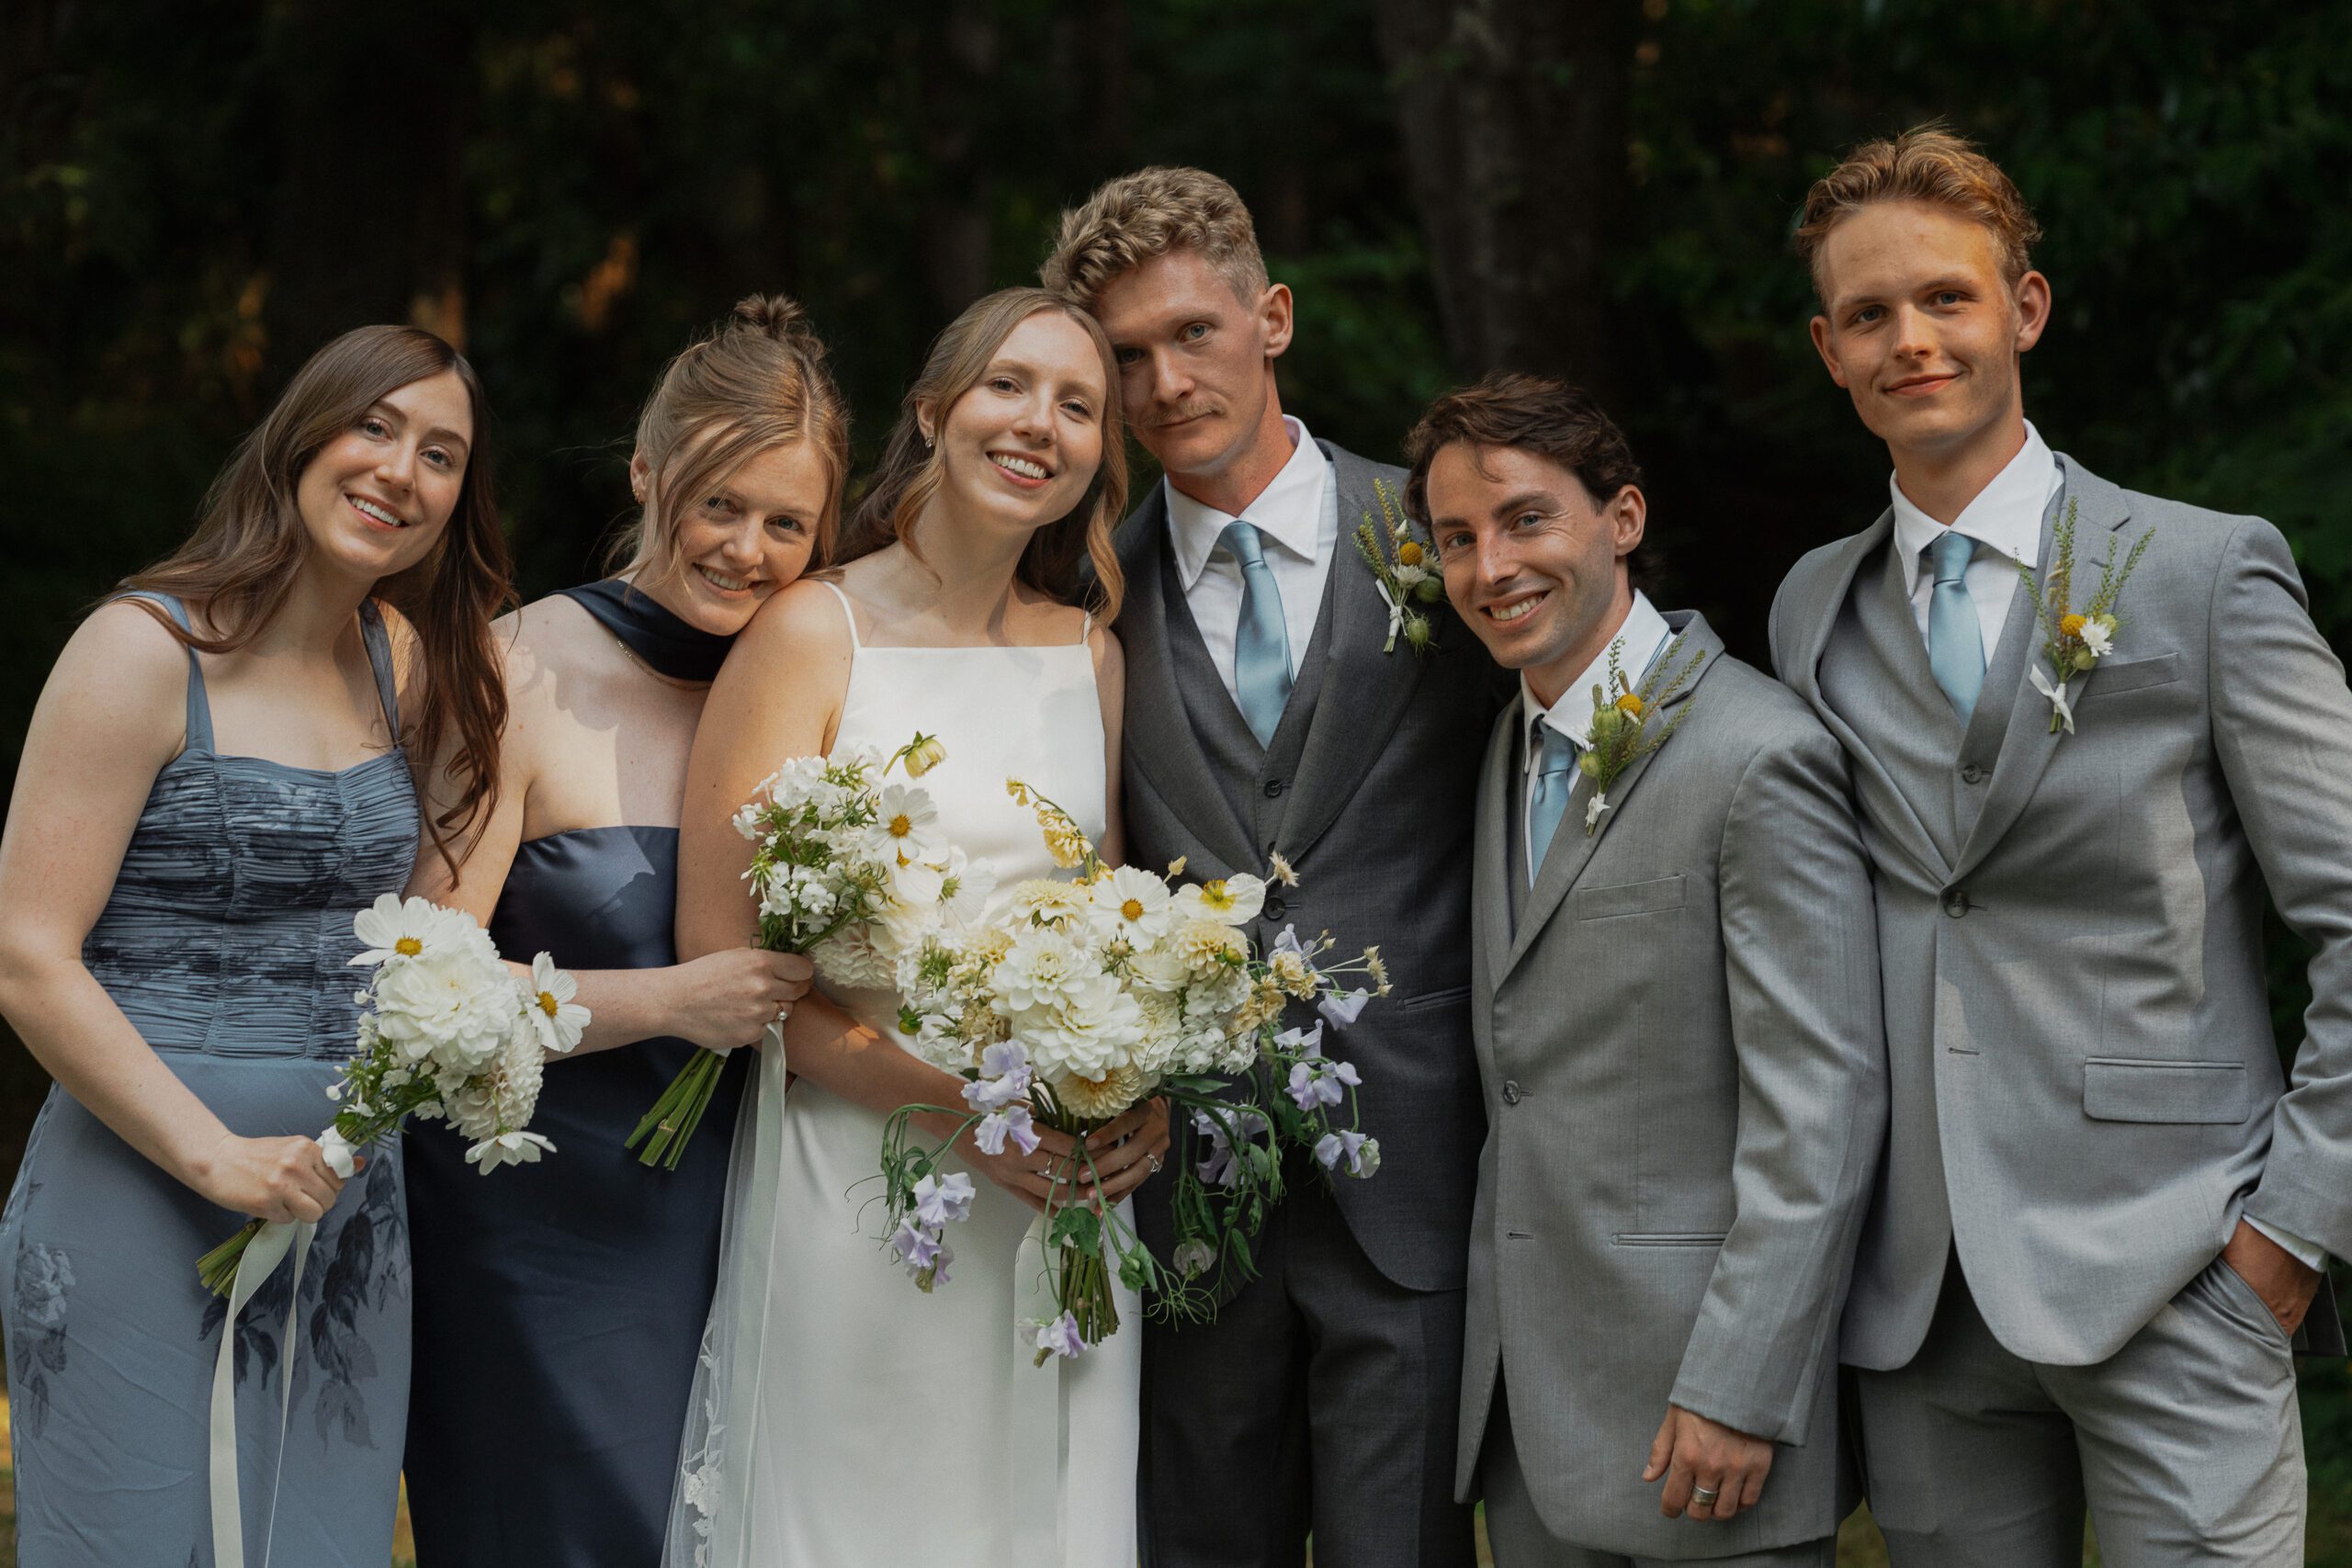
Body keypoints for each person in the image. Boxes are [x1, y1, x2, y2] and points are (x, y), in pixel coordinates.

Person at [1769, 123, 2352, 1565]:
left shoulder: (2208, 573)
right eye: (1867, 315)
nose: (1911, 339)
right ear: (1829, 351)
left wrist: (2286, 1241)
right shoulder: (1806, 611)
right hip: (1920, 1304)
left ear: (2023, 308)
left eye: (1946, 298)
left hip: (2178, 1268)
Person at [664, 286, 1170, 1566]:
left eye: (1079, 405)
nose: (1039, 424)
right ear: (935, 411)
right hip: (870, 1179)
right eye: (1009, 385)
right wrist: (954, 1109)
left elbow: (1114, 936)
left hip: (1057, 1201)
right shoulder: (809, 632)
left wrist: (1135, 1085)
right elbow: (725, 969)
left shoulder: (1091, 655)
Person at [1042, 165, 1499, 1567]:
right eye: (1125, 356)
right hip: (1186, 1190)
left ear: (1272, 318)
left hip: (1412, 1167)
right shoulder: (1081, 593)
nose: (1166, 380)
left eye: (1193, 332)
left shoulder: (1441, 535)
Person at [0, 324, 510, 1564]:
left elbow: (453, 904)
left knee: (314, 1539)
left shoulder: (404, 663)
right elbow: (27, 959)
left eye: (441, 455)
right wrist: (216, 1159)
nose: (402, 471)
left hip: (342, 1203)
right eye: (375, 429)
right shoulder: (143, 648)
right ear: (301, 439)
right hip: (144, 1186)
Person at [1408, 373, 1884, 1567]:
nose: (1490, 566)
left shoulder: (1759, 756)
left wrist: (1742, 1384)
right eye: (1457, 539)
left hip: (1703, 1424)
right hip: (1529, 1418)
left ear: (1621, 520)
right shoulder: (1504, 744)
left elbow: (1819, 1107)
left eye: (1526, 519)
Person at [400, 296, 842, 1566]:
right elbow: (427, 991)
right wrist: (668, 1001)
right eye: (718, 504)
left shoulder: (824, 689)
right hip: (540, 1235)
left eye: (786, 523)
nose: (746, 550)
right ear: (649, 474)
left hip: (755, 1219)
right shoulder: (517, 668)